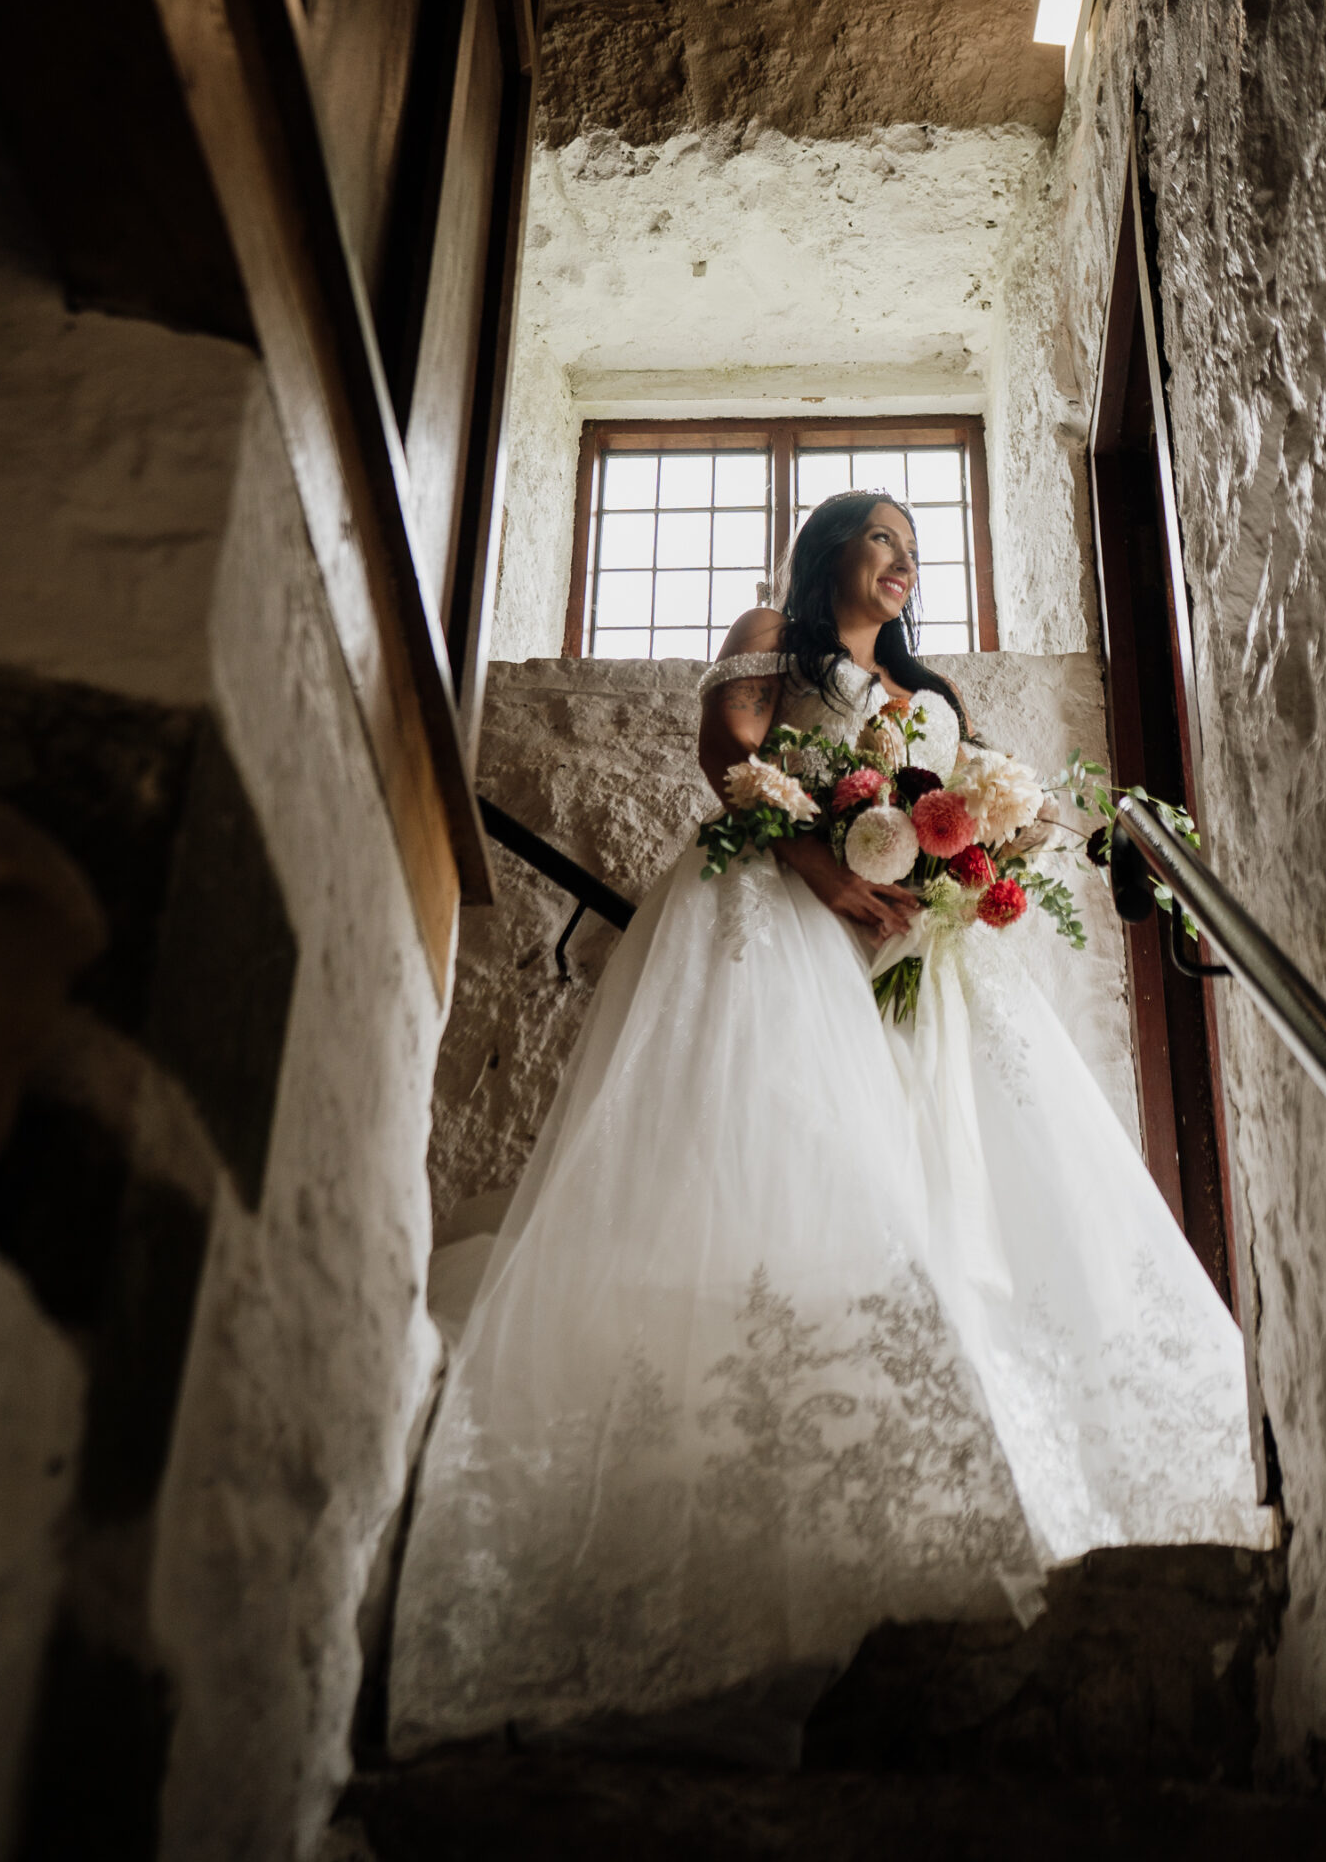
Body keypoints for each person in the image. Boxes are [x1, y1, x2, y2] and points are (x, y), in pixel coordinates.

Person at [388, 492, 1266, 1766]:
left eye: (916, 550)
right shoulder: (770, 637)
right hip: (782, 907)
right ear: (826, 554)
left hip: (904, 938)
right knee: (779, 1150)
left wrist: (952, 875)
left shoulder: (929, 689)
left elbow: (957, 807)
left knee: (942, 1159)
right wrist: (820, 866)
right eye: (882, 540)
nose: (905, 564)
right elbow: (729, 752)